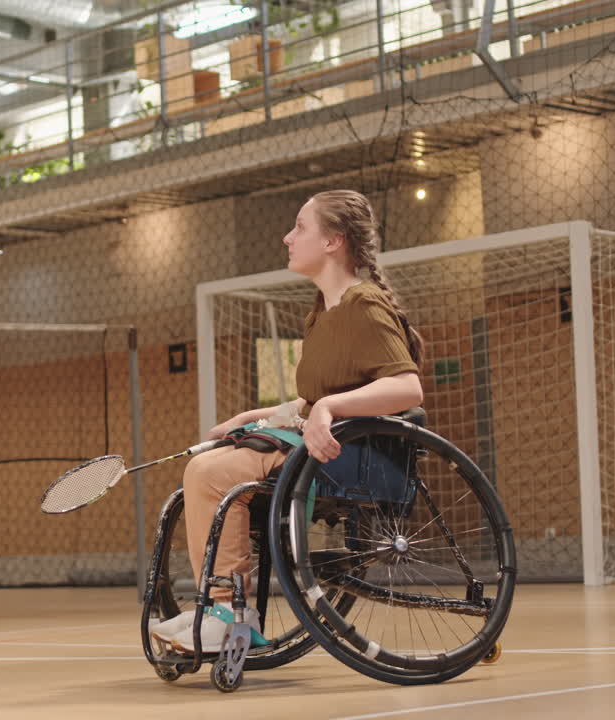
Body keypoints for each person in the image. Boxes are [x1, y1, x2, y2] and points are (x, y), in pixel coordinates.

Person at [151, 190, 425, 653]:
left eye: (300, 227)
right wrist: (252, 415)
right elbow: (318, 395)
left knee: (212, 473)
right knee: (211, 465)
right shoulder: (321, 314)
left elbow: (406, 388)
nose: (287, 237)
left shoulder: (365, 303)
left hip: (350, 456)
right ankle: (217, 609)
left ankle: (227, 612)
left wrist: (327, 409)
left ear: (334, 241)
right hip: (320, 446)